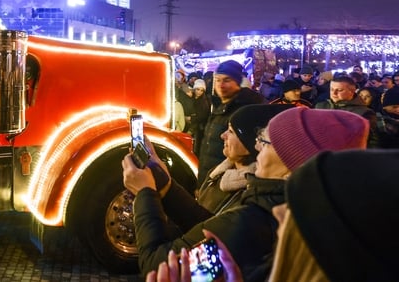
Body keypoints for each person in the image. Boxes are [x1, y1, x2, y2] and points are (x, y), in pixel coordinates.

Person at [123, 108, 369, 279]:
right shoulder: (301, 213)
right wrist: (167, 190)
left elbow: (158, 267)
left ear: (291, 166)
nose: (257, 146)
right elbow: (215, 230)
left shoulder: (255, 222)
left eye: (266, 141)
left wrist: (145, 193)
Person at [152, 149, 399, 282]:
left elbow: (155, 261)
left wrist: (146, 192)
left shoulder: (253, 217)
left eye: (300, 205)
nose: (280, 210)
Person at [196, 104, 293, 214]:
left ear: (249, 144)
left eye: (231, 131)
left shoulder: (251, 193)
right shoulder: (217, 173)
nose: (222, 135)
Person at [195, 60, 265, 185]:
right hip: (210, 182)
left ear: (237, 82)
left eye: (227, 80)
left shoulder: (244, 110)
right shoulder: (219, 107)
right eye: (217, 80)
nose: (221, 85)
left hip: (227, 185)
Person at [315, 75, 379, 148]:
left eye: (339, 90)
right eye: (331, 89)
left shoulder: (364, 113)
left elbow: (370, 141)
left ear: (351, 91)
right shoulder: (320, 106)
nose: (334, 93)